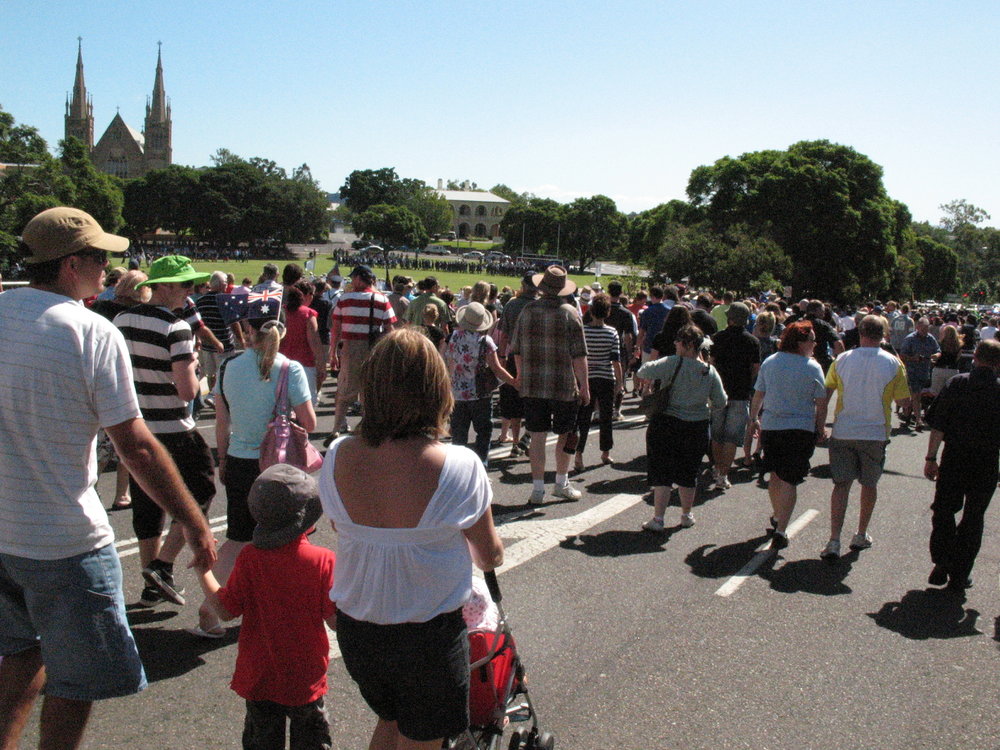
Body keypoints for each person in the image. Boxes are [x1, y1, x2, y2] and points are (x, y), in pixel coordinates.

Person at [0, 207, 215, 750]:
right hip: (63, 539)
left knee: (19, 657)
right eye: (100, 257)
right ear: (71, 264)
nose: (110, 267)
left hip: (3, 530)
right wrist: (193, 522)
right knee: (76, 681)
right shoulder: (91, 331)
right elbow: (137, 447)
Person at [319, 328, 504, 750]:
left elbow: (341, 528)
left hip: (359, 629)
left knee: (392, 719)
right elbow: (487, 554)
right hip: (427, 635)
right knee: (423, 737)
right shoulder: (460, 465)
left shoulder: (338, 455)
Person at [194, 293, 317, 637]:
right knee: (288, 542)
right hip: (278, 468)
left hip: (238, 460)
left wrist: (222, 459)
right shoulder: (289, 368)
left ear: (246, 328)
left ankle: (211, 606)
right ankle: (280, 608)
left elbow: (221, 422)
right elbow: (310, 423)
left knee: (237, 539)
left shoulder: (229, 366)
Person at [197, 464, 336, 749]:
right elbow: (336, 622)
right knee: (312, 741)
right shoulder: (323, 560)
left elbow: (225, 610)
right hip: (305, 674)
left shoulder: (250, 557)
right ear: (309, 517)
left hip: (259, 673)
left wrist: (204, 571)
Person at [115, 255, 218, 607]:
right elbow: (187, 391)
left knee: (147, 501)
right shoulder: (176, 328)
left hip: (135, 424)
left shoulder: (122, 319)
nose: (192, 291)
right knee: (201, 491)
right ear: (168, 286)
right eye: (187, 285)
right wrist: (196, 369)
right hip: (173, 426)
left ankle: (152, 580)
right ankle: (162, 564)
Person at [818, 315, 910, 561]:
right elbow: (904, 403)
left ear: (860, 333)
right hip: (875, 433)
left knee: (841, 485)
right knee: (869, 484)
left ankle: (834, 540)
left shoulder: (842, 360)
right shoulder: (893, 363)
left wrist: (819, 426)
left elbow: (825, 395)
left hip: (844, 430)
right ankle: (860, 533)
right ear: (884, 335)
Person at [923, 339, 1000, 592]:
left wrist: (931, 458)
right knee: (973, 518)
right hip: (986, 462)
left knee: (944, 509)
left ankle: (943, 558)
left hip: (954, 458)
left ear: (975, 356)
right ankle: (960, 571)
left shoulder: (957, 384)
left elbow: (938, 425)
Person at [509, 266, 590, 505]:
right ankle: (561, 482)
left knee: (537, 436)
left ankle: (537, 489)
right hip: (563, 383)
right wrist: (584, 385)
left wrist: (522, 375)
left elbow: (517, 349)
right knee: (565, 434)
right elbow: (579, 355)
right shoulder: (570, 313)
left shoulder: (527, 311)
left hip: (534, 383)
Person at [747, 321, 828, 549]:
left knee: (775, 474)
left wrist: (753, 418)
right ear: (800, 342)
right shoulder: (812, 367)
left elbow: (759, 394)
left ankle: (777, 515)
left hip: (772, 427)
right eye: (811, 339)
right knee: (790, 479)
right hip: (800, 429)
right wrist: (820, 427)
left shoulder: (771, 362)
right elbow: (821, 403)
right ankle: (781, 527)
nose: (814, 344)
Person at [638, 324, 727, 531]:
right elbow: (721, 402)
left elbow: (644, 370)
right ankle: (686, 515)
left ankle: (658, 519)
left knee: (662, 472)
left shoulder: (672, 362)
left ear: (687, 345)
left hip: (667, 423)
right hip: (697, 427)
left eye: (678, 341)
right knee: (688, 473)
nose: (675, 343)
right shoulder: (709, 371)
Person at [328, 265, 397, 437]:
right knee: (369, 388)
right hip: (373, 348)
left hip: (350, 347)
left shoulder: (345, 298)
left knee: (345, 388)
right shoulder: (382, 299)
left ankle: (337, 428)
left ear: (359, 278)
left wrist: (333, 352)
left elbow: (336, 328)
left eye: (353, 278)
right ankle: (367, 427)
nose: (351, 281)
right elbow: (390, 328)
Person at [444, 302, 516, 465]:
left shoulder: (454, 337)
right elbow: (497, 369)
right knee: (483, 433)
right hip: (480, 392)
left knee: (459, 435)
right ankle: (481, 465)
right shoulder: (486, 341)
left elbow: (449, 364)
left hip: (458, 392)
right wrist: (514, 382)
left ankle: (457, 470)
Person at [709, 302, 761, 491]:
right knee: (732, 437)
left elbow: (711, 363)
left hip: (719, 392)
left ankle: (716, 467)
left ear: (730, 319)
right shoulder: (752, 341)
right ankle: (724, 475)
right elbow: (756, 368)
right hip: (741, 393)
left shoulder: (718, 338)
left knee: (716, 434)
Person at [573, 293, 623, 471]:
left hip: (585, 377)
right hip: (606, 377)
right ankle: (605, 452)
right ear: (607, 312)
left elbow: (577, 356)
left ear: (591, 311)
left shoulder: (583, 331)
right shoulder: (612, 332)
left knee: (583, 418)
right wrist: (620, 382)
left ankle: (579, 454)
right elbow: (615, 360)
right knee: (606, 417)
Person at [494, 273, 537, 456]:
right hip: (535, 358)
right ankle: (529, 437)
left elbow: (503, 335)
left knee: (514, 401)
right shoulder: (539, 305)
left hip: (513, 356)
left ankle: (516, 441)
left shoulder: (512, 304)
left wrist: (502, 356)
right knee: (534, 401)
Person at [280, 281, 325, 406]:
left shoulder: (280, 313)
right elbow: (315, 342)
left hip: (281, 364)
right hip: (305, 363)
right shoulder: (308, 314)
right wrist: (321, 365)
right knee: (305, 403)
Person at [898, 317, 940, 429]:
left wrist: (936, 355)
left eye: (926, 329)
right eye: (923, 329)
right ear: (917, 327)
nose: (925, 332)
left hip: (925, 371)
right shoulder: (910, 339)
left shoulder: (930, 338)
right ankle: (918, 420)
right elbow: (902, 355)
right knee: (916, 396)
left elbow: (938, 350)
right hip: (912, 371)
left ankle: (907, 414)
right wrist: (913, 358)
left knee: (916, 396)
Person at [929, 325, 962, 396]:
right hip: (952, 370)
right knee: (950, 394)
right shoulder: (959, 345)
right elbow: (957, 358)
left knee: (936, 393)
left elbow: (936, 356)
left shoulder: (940, 344)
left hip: (939, 369)